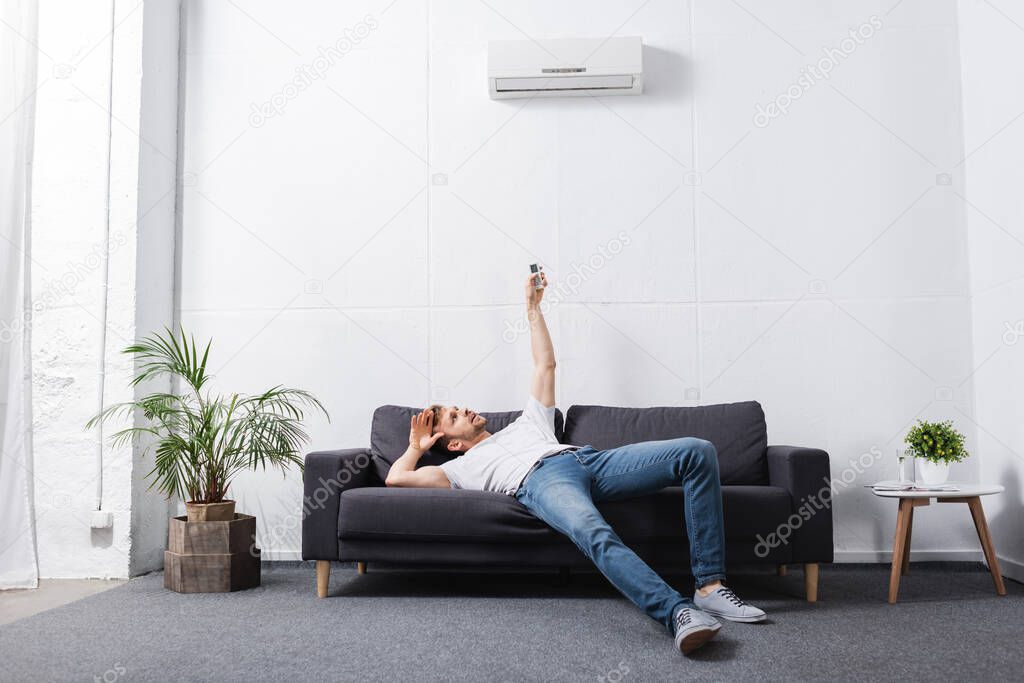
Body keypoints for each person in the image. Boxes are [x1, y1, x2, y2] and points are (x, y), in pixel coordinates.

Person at [384, 269, 766, 655]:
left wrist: (532, 309)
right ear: (450, 444)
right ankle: (678, 613)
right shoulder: (457, 469)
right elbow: (396, 479)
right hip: (542, 483)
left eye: (456, 406)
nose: (463, 409)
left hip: (587, 460)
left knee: (696, 451)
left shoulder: (527, 421)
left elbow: (544, 365)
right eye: (453, 417)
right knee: (593, 531)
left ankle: (710, 587)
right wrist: (416, 445)